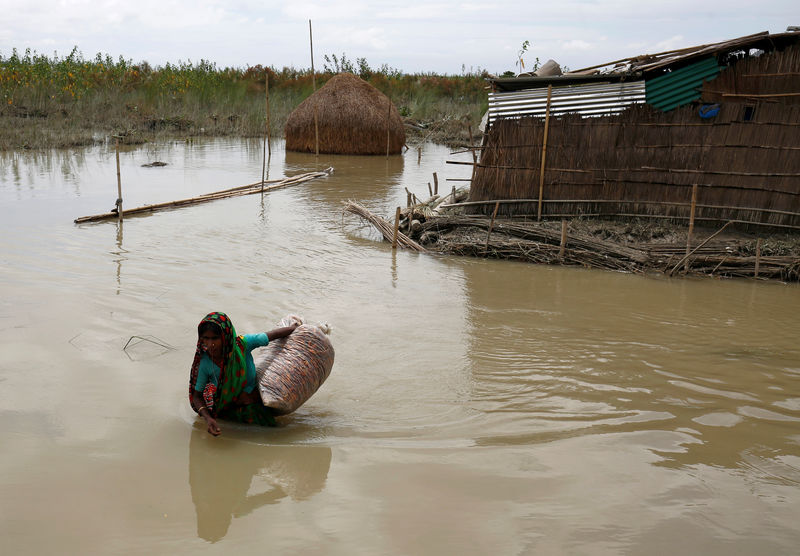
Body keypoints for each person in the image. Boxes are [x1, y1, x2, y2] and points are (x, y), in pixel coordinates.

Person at [189, 312, 298, 436]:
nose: (210, 344)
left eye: (215, 338)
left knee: (272, 435)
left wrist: (295, 329)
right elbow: (197, 396)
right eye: (205, 338)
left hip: (252, 405)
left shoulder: (242, 345)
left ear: (225, 336)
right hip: (227, 411)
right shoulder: (205, 363)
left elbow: (271, 335)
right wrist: (208, 419)